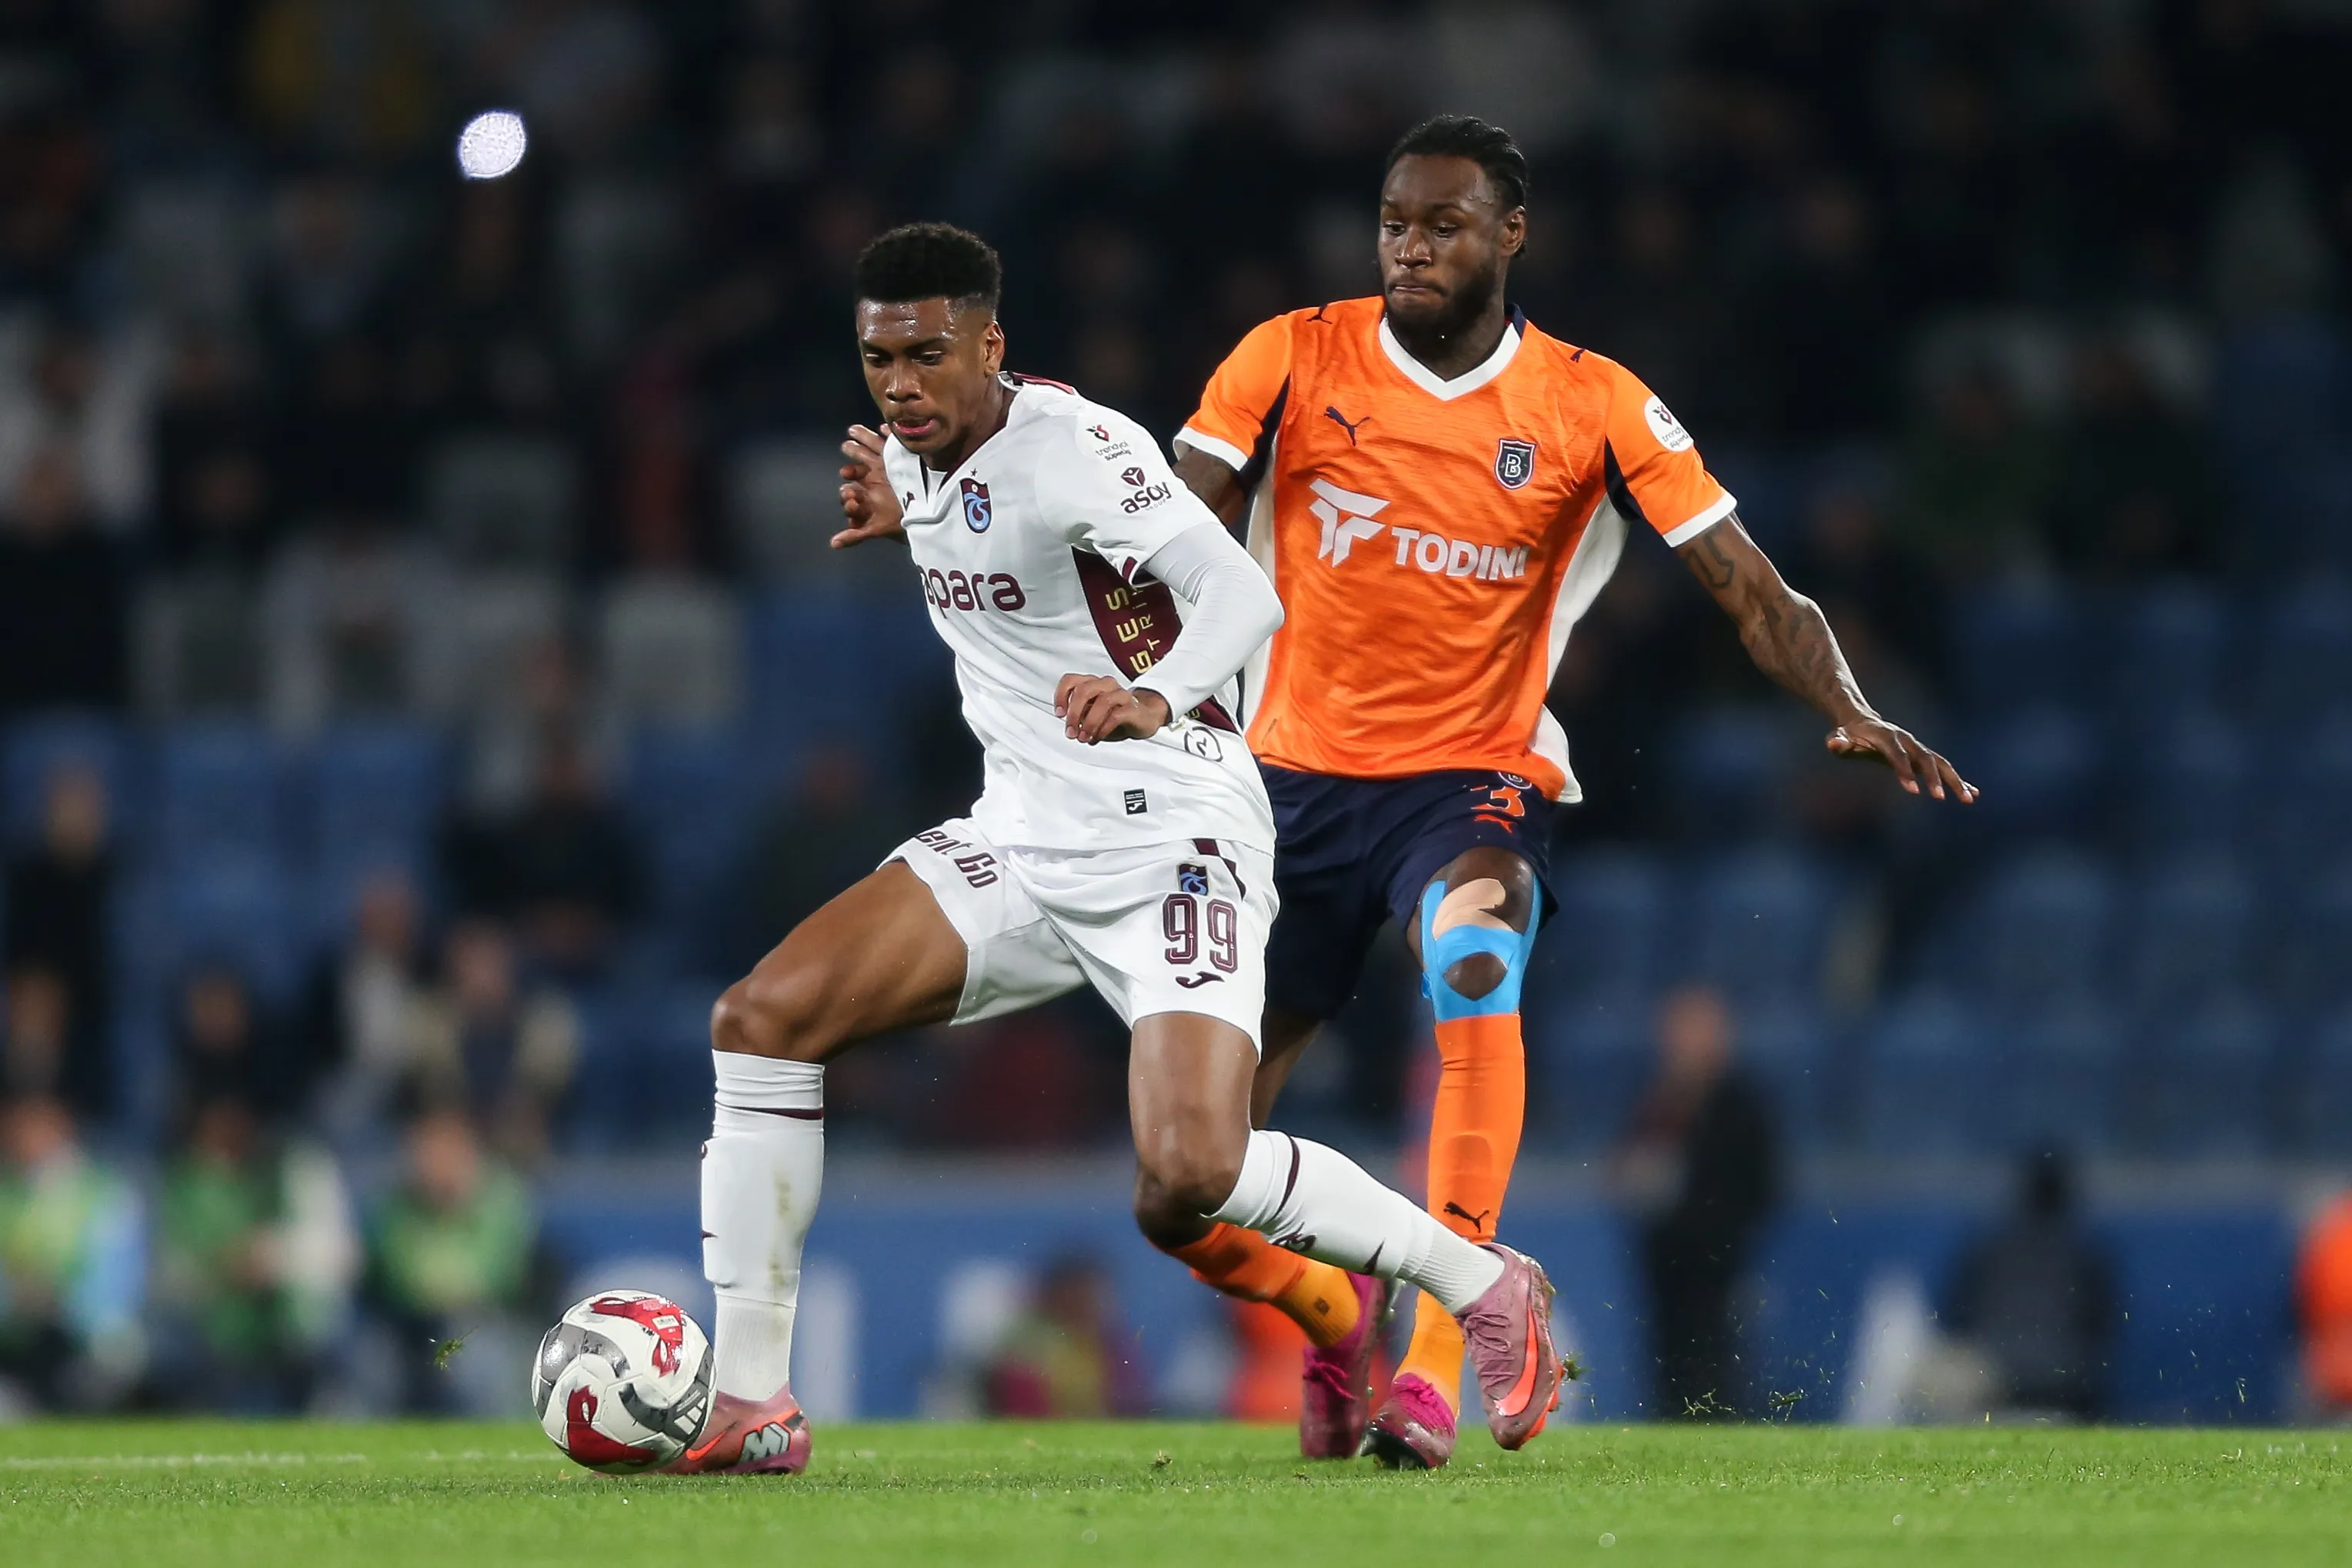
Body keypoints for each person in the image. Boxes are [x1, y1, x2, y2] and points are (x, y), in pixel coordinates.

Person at [676, 222, 1565, 1476]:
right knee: (762, 1017)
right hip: (1020, 838)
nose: (901, 386)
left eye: (928, 356)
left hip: (1172, 835)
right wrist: (907, 519)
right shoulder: (916, 455)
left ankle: (1479, 1278)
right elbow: (995, 551)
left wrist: (1157, 693)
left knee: (1192, 1166)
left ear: (991, 344)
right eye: (879, 360)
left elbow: (1242, 596)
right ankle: (752, 1400)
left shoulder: (1079, 450)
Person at [1159, 115, 1974, 1467]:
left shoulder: (1591, 403)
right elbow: (1158, 528)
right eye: (1394, 224)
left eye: (1444, 225)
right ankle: (1334, 1311)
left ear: (1511, 234)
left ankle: (1440, 1355)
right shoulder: (1290, 356)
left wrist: (1849, 704)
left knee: (1475, 958)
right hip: (1282, 789)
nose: (1411, 248)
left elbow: (1751, 587)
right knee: (1182, 1179)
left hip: (1467, 777)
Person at [1613, 988, 1781, 1419]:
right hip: (1665, 1260)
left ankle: (1719, 1418)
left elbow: (1764, 1185)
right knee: (1666, 1352)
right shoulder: (1658, 1100)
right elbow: (1627, 1163)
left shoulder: (1741, 1105)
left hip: (1718, 1262)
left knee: (1716, 1352)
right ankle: (1670, 1416)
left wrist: (1710, 1217)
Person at [1943, 1148, 2115, 1420]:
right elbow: (2102, 1326)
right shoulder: (2084, 1255)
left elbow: (1957, 1320)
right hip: (2064, 1387)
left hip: (1999, 1382)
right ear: (2067, 1197)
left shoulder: (1989, 1250)